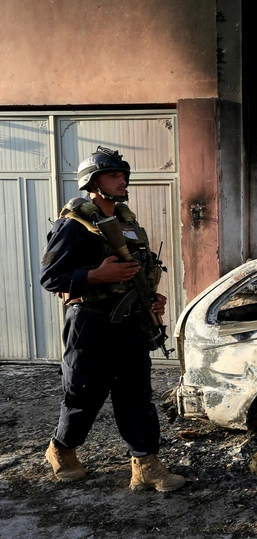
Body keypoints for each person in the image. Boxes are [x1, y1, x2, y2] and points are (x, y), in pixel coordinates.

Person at [40, 146, 185, 492]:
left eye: (123, 175)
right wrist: (95, 275)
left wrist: (151, 299)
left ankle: (145, 464)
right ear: (92, 182)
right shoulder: (73, 226)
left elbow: (143, 269)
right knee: (83, 395)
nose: (121, 180)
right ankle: (61, 450)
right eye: (112, 174)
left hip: (131, 322)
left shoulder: (128, 224)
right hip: (89, 323)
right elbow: (50, 278)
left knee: (136, 396)